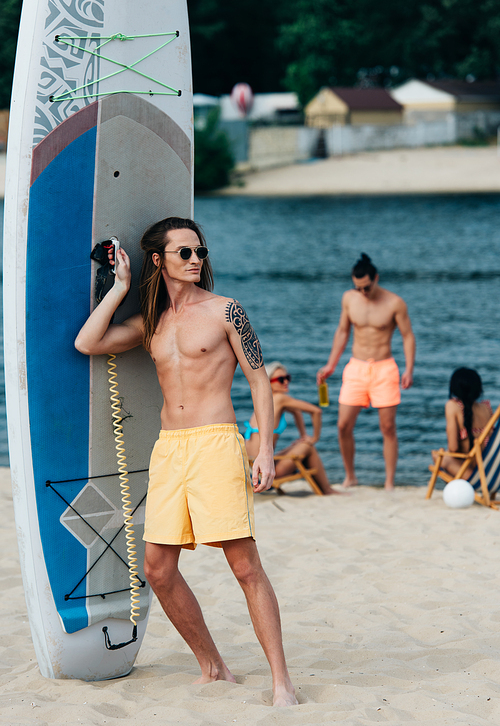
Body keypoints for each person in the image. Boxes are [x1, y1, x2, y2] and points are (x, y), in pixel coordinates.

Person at [75, 217, 297, 707]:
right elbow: (87, 343)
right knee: (157, 569)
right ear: (160, 260)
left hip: (216, 442)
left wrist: (264, 448)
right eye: (184, 253)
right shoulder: (151, 323)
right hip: (169, 448)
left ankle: (283, 683)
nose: (196, 259)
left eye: (200, 252)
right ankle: (213, 666)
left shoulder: (225, 312)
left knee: (244, 567)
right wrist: (120, 288)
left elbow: (260, 381)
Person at [316, 253, 415, 490]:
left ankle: (389, 481)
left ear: (376, 278)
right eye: (358, 287)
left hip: (385, 369)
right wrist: (331, 364)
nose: (363, 292)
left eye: (367, 287)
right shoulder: (349, 299)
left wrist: (409, 368)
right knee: (342, 426)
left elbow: (407, 335)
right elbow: (342, 331)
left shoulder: (395, 303)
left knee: (388, 428)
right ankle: (350, 476)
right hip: (356, 368)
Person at [244, 361, 341, 495]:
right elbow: (316, 411)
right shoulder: (280, 398)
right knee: (308, 446)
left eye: (287, 378)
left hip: (251, 469)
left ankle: (325, 489)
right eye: (281, 379)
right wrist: (314, 438)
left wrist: (303, 436)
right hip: (264, 473)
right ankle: (327, 490)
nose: (286, 382)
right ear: (269, 382)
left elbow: (296, 411)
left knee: (303, 443)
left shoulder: (265, 401)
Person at [431, 368, 493, 478]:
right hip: (491, 474)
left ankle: (458, 487)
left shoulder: (453, 406)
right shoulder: (486, 407)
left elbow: (453, 448)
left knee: (437, 455)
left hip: (474, 476)